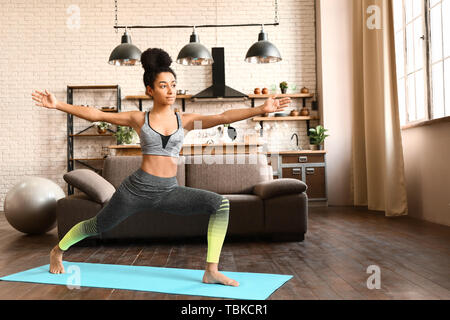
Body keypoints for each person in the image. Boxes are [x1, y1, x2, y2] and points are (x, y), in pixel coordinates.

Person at [31, 48, 291, 287]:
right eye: (163, 85)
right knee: (97, 226)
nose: (170, 90)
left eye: (173, 85)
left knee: (220, 204)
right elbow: (97, 114)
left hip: (169, 191)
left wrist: (261, 108)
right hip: (135, 191)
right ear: (149, 90)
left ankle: (211, 270)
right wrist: (58, 105)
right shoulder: (138, 118)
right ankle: (58, 251)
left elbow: (223, 116)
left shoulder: (185, 120)